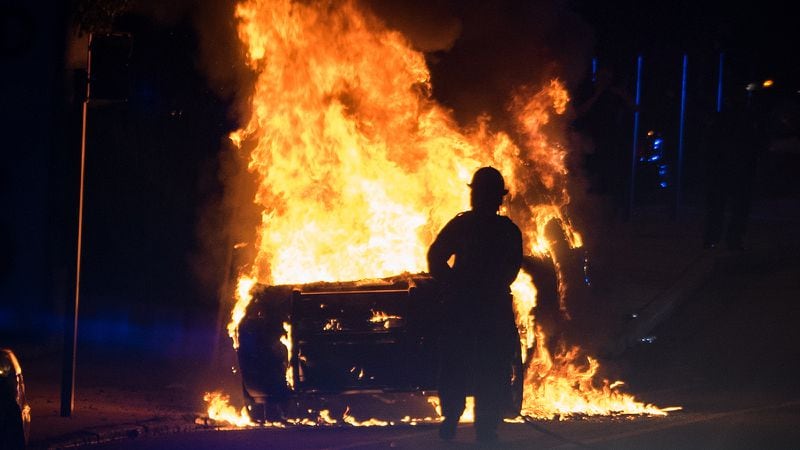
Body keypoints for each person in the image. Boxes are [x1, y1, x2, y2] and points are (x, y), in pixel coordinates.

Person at [427, 166, 523, 443]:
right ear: (498, 199)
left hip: (465, 309)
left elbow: (435, 258)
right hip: (490, 310)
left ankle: (452, 418)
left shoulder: (463, 225)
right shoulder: (507, 231)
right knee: (490, 369)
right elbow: (512, 271)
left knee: (458, 364)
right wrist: (484, 287)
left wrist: (453, 283)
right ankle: (485, 428)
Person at [702, 83, 768, 251]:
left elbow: (710, 144)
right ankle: (732, 239)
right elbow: (755, 143)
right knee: (737, 205)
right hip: (738, 168)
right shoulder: (748, 119)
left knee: (719, 205)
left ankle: (714, 238)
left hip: (723, 168)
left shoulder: (721, 119)